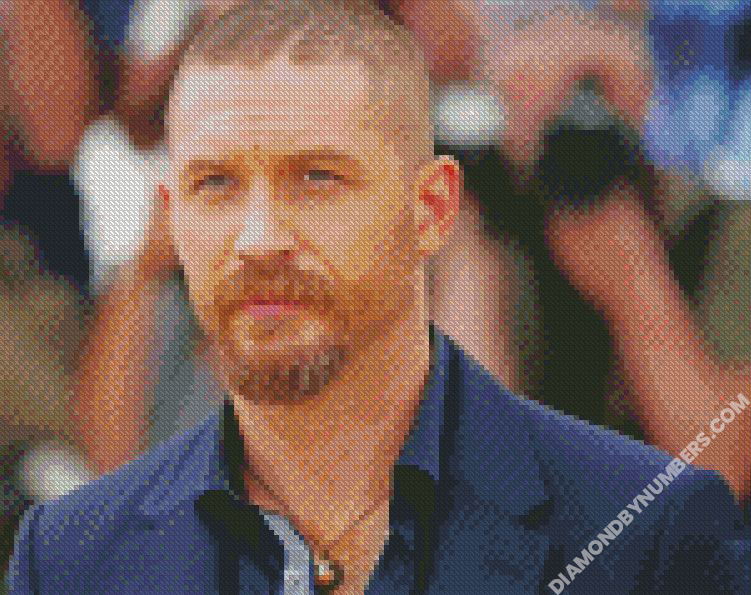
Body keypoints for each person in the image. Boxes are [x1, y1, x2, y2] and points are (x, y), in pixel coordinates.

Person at [9, 2, 748, 592]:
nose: (260, 238)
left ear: (430, 206)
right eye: (217, 182)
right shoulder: (66, 555)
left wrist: (614, 249)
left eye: (318, 178)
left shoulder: (647, 528)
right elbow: (111, 459)